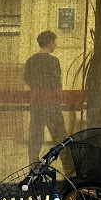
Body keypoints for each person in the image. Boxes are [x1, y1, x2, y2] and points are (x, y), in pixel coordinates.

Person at [24, 30, 67, 163]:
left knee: (35, 135)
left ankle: (33, 164)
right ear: (49, 43)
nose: (55, 45)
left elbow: (27, 79)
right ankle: (68, 166)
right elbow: (56, 83)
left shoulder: (30, 61)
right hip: (52, 104)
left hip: (36, 103)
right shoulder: (53, 61)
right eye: (54, 42)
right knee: (60, 136)